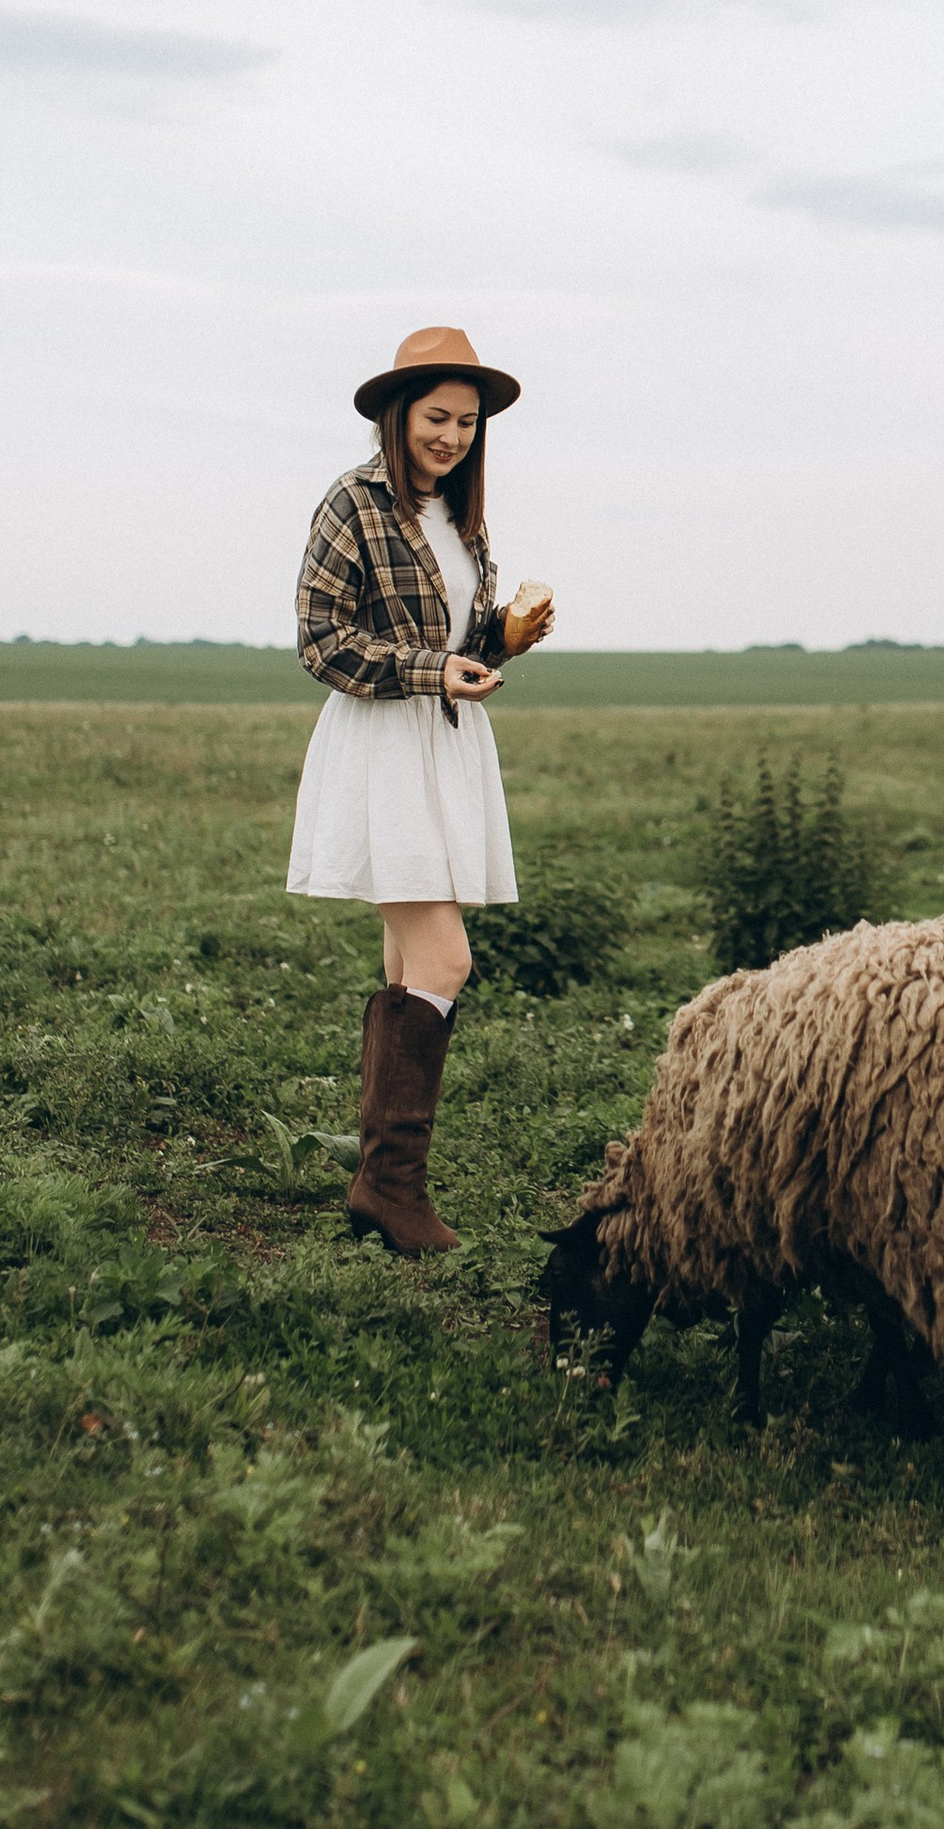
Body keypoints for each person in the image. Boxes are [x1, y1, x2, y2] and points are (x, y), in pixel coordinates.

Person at [287, 326, 553, 1252]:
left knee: (409, 968)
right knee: (445, 962)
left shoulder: (463, 518)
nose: (452, 436)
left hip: (443, 743)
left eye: (468, 422)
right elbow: (322, 642)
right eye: (437, 417)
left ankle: (378, 1190)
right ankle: (392, 1188)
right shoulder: (352, 504)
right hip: (382, 745)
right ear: (398, 415)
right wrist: (433, 671)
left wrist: (503, 642)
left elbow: (460, 650)